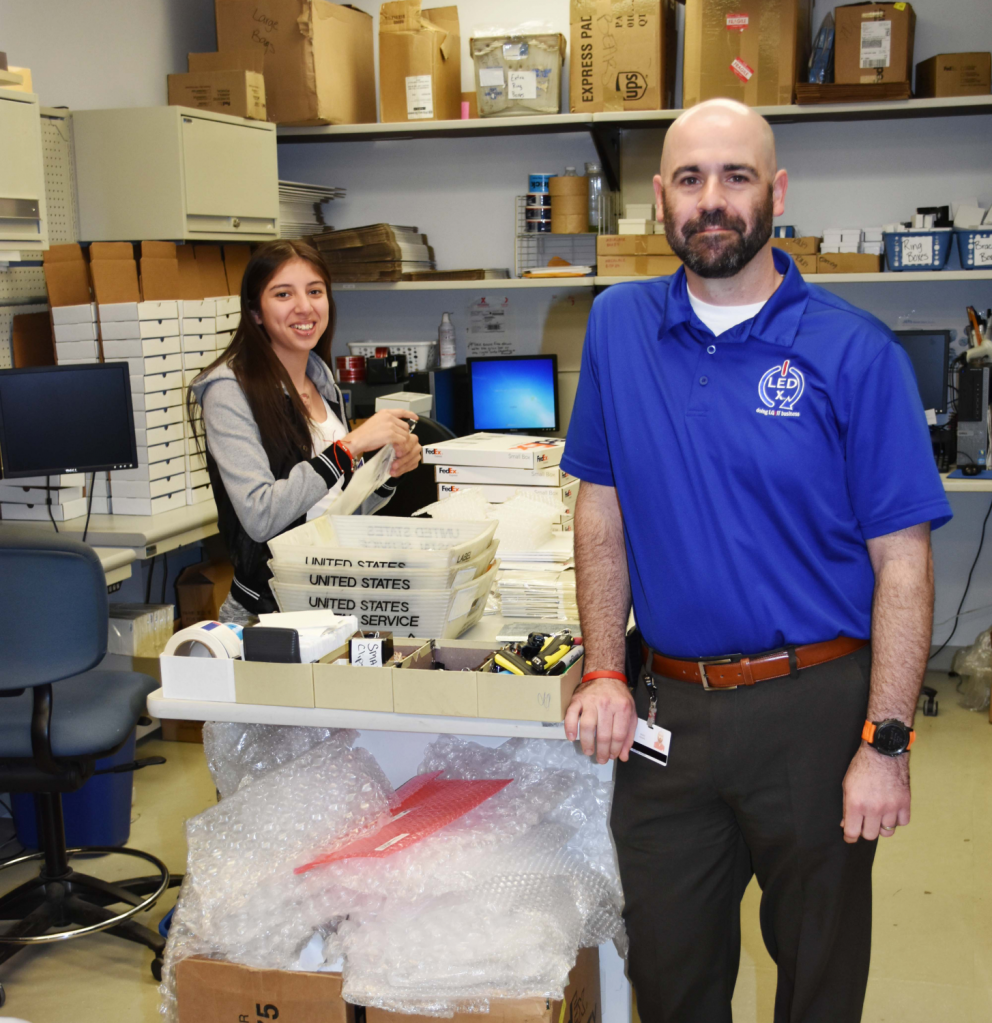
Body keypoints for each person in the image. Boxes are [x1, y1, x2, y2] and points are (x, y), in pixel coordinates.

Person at [560, 99, 953, 1023]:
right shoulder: (618, 328)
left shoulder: (855, 353)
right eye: (690, 179)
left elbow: (904, 563)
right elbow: (601, 508)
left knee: (818, 976)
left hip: (812, 712)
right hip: (668, 713)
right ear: (659, 198)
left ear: (776, 192)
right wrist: (606, 665)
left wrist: (885, 743)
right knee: (668, 973)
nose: (712, 200)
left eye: (735, 177)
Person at [189, 239, 422, 624]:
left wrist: (384, 473)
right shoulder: (228, 390)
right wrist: (349, 448)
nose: (305, 306)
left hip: (331, 600)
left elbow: (333, 511)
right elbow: (261, 515)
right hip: (268, 616)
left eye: (315, 291)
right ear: (255, 311)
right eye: (283, 294)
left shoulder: (321, 380)